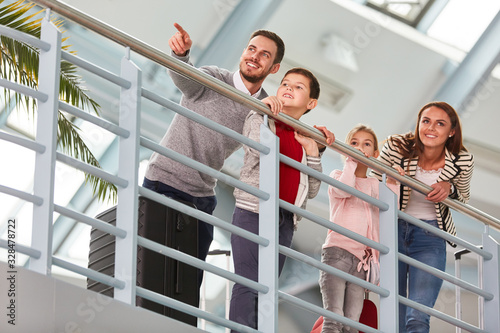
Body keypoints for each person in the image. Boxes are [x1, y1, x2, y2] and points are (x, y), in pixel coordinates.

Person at [142, 23, 286, 288]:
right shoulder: (213, 79)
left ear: (274, 68)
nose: (254, 56)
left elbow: (274, 141)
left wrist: (317, 137)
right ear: (244, 52)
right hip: (164, 180)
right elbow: (182, 75)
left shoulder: (265, 107)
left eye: (264, 54)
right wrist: (181, 56)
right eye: (251, 49)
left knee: (187, 281)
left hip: (202, 196)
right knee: (150, 268)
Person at [229, 67, 335, 332]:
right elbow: (255, 145)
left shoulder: (305, 138)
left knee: (266, 287)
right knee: (248, 280)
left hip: (285, 220)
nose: (288, 87)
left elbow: (311, 190)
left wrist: (313, 150)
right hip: (253, 210)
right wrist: (260, 110)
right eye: (285, 83)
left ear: (311, 104)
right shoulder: (262, 117)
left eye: (298, 87)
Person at [372, 101, 474, 333]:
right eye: (426, 121)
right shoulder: (396, 146)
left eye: (440, 124)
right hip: (393, 230)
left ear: (452, 131)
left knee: (417, 317)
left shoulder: (462, 160)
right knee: (393, 310)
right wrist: (390, 182)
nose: (431, 128)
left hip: (431, 236)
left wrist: (449, 187)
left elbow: (463, 197)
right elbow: (372, 180)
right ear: (418, 123)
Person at [319, 124, 403, 333]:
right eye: (354, 144)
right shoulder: (338, 174)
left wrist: (394, 181)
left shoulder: (375, 185)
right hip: (337, 252)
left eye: (366, 144)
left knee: (352, 325)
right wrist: (351, 161)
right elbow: (343, 190)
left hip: (361, 263)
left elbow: (393, 208)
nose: (359, 148)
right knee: (333, 318)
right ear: (346, 149)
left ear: (375, 154)